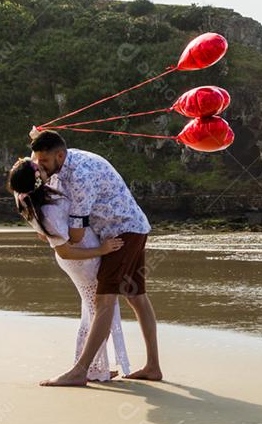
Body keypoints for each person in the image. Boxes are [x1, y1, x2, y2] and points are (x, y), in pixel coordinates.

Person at [28, 129, 163, 386]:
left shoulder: (80, 176)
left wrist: (52, 232)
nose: (39, 167)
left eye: (43, 161)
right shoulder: (63, 160)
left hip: (120, 232)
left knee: (104, 302)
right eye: (37, 160)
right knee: (136, 296)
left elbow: (76, 236)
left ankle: (80, 371)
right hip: (133, 226)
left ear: (59, 155)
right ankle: (153, 367)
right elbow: (34, 163)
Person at [7, 157, 130, 382]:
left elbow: (30, 172)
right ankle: (86, 369)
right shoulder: (48, 210)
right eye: (40, 168)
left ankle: (94, 367)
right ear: (37, 179)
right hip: (82, 259)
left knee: (93, 311)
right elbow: (64, 251)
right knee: (99, 312)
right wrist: (102, 249)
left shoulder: (31, 197)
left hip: (81, 257)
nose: (42, 166)